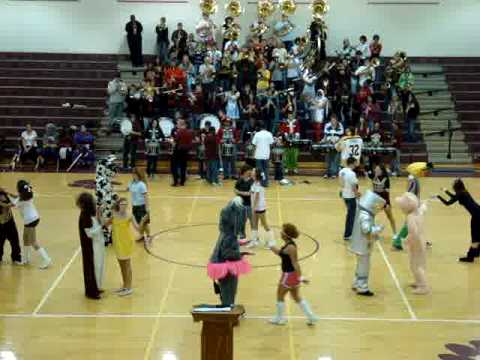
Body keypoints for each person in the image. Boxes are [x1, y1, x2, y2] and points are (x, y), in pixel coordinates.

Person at [268, 223, 318, 325]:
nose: (280, 232)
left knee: (280, 295)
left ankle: (280, 318)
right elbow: (280, 253)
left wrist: (300, 277)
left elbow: (295, 263)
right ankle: (311, 316)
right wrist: (271, 246)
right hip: (293, 275)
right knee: (296, 297)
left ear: (286, 234)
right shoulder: (289, 245)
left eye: (282, 231)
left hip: (289, 275)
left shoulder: (290, 247)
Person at [207, 197, 252, 306]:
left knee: (225, 289)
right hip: (226, 266)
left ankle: (226, 306)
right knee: (229, 290)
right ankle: (227, 311)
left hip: (219, 264)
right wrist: (241, 254)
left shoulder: (225, 232)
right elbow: (227, 253)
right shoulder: (230, 236)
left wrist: (240, 243)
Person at [5, 180, 51, 269]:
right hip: (32, 219)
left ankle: (46, 259)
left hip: (30, 221)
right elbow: (17, 196)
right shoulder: (27, 196)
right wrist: (8, 192)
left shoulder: (20, 201)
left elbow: (10, 204)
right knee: (25, 239)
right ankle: (26, 260)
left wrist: (4, 198)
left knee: (33, 242)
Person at [349, 190, 386, 296]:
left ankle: (356, 283)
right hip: (363, 245)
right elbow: (367, 230)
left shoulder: (361, 212)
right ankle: (362, 287)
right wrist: (378, 229)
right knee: (364, 266)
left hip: (359, 244)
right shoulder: (365, 215)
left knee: (360, 264)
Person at [108, 198, 147, 297]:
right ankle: (125, 286)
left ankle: (129, 288)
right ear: (118, 205)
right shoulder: (114, 214)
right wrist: (99, 214)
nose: (124, 206)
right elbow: (105, 224)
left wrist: (142, 221)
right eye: (122, 204)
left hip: (126, 243)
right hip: (117, 243)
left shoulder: (130, 215)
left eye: (126, 204)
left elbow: (138, 229)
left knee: (127, 265)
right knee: (121, 265)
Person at [392, 162, 434, 250]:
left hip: (413, 204)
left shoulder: (415, 179)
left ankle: (420, 241)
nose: (428, 174)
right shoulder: (414, 181)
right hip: (412, 205)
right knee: (409, 225)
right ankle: (397, 242)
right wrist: (414, 204)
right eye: (428, 171)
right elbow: (409, 193)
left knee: (415, 224)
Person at [437, 179, 480, 262]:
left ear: (456, 187)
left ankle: (470, 257)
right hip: (478, 213)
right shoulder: (463, 192)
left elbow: (448, 203)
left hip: (477, 216)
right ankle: (476, 252)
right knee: (478, 235)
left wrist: (438, 196)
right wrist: (445, 191)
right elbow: (454, 197)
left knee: (475, 237)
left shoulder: (460, 194)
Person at [396, 192, 430, 295]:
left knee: (415, 266)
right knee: (417, 263)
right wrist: (424, 203)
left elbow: (413, 233)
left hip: (416, 243)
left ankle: (423, 286)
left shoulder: (410, 217)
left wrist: (405, 241)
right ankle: (418, 282)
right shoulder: (418, 212)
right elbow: (424, 208)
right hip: (420, 241)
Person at [76, 192, 105, 300]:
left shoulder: (89, 214)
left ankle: (96, 286)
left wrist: (99, 215)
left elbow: (95, 224)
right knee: (92, 267)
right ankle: (92, 291)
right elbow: (89, 233)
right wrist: (102, 226)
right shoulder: (84, 216)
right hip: (90, 247)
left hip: (97, 243)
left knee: (99, 265)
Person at [248, 168, 274, 248]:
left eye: (253, 171)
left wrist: (253, 208)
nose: (251, 172)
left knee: (264, 224)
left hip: (260, 207)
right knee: (254, 224)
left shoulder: (259, 184)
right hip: (255, 207)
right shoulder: (254, 183)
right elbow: (251, 194)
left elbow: (257, 198)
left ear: (256, 174)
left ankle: (271, 242)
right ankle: (254, 241)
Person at [369, 164, 397, 235]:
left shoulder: (386, 179)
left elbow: (387, 191)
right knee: (371, 216)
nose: (376, 170)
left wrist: (381, 189)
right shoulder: (373, 176)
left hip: (384, 200)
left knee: (390, 217)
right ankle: (373, 230)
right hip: (376, 200)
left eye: (377, 169)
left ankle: (395, 233)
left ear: (381, 171)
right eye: (375, 169)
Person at [127, 168, 151, 245]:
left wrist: (147, 208)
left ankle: (148, 236)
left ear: (138, 175)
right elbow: (126, 190)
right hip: (135, 206)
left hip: (142, 206)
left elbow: (146, 196)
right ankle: (141, 235)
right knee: (138, 222)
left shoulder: (142, 184)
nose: (133, 175)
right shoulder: (131, 183)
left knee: (143, 223)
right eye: (133, 174)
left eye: (135, 174)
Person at [339, 157, 360, 241]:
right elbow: (354, 186)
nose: (357, 164)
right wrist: (357, 194)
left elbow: (341, 183)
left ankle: (349, 233)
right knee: (351, 216)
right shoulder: (352, 174)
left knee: (349, 215)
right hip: (351, 197)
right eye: (356, 162)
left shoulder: (342, 171)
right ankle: (348, 234)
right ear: (353, 163)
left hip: (345, 195)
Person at [0, 189, 22, 265]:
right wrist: (9, 205)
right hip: (1, 224)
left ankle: (16, 258)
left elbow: (12, 196)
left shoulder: (2, 192)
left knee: (15, 240)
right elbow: (5, 205)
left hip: (9, 222)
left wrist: (14, 195)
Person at [171, 119, 194, 186]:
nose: (178, 125)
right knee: (183, 167)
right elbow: (190, 144)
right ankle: (182, 182)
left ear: (182, 125)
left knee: (174, 166)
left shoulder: (179, 131)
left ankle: (175, 182)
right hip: (185, 152)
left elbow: (176, 140)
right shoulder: (189, 132)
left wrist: (172, 141)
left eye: (179, 124)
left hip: (178, 151)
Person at [235, 165, 254, 243]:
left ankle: (254, 237)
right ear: (245, 171)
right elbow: (235, 190)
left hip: (250, 205)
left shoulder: (252, 181)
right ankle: (242, 236)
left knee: (252, 221)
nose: (251, 172)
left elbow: (250, 193)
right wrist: (242, 193)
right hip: (241, 205)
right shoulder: (240, 180)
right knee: (242, 222)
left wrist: (240, 192)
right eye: (249, 170)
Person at [252, 121, 274, 187]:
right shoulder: (269, 134)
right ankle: (265, 183)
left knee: (259, 170)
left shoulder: (257, 134)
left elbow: (254, 145)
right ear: (266, 127)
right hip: (266, 155)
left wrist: (253, 154)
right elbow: (271, 144)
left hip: (258, 155)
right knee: (266, 169)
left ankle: (260, 183)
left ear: (260, 127)